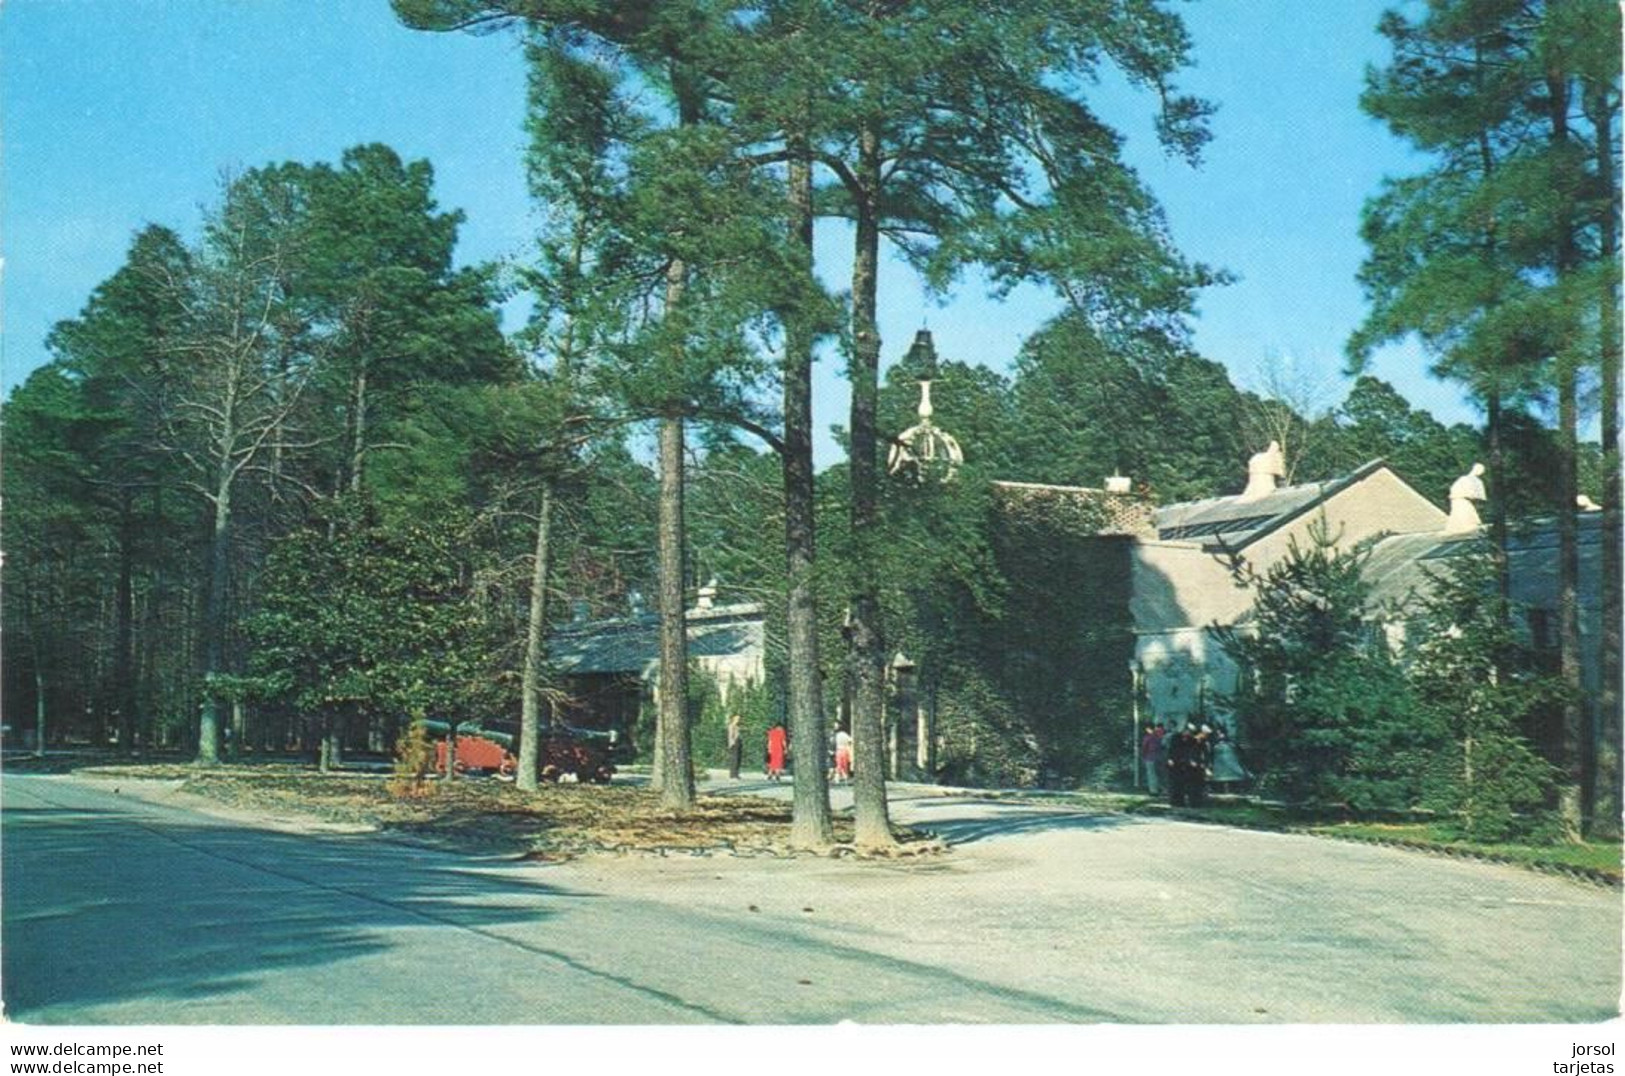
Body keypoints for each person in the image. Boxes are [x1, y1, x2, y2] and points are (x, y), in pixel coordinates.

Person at [1140, 723, 1165, 795]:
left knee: (1151, 775)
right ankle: (1163, 789)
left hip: (1150, 757)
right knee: (1160, 774)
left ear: (1147, 729)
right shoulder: (1160, 736)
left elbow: (1144, 747)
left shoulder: (1147, 737)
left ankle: (1154, 791)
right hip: (1160, 757)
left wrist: (1143, 756)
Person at [726, 713, 743, 780]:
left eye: (739, 719)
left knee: (738, 758)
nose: (738, 720)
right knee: (734, 759)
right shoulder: (731, 726)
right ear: (733, 719)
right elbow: (730, 735)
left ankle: (736, 773)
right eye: (737, 718)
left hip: (738, 742)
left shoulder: (737, 726)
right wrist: (731, 743)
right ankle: (732, 775)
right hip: (734, 742)